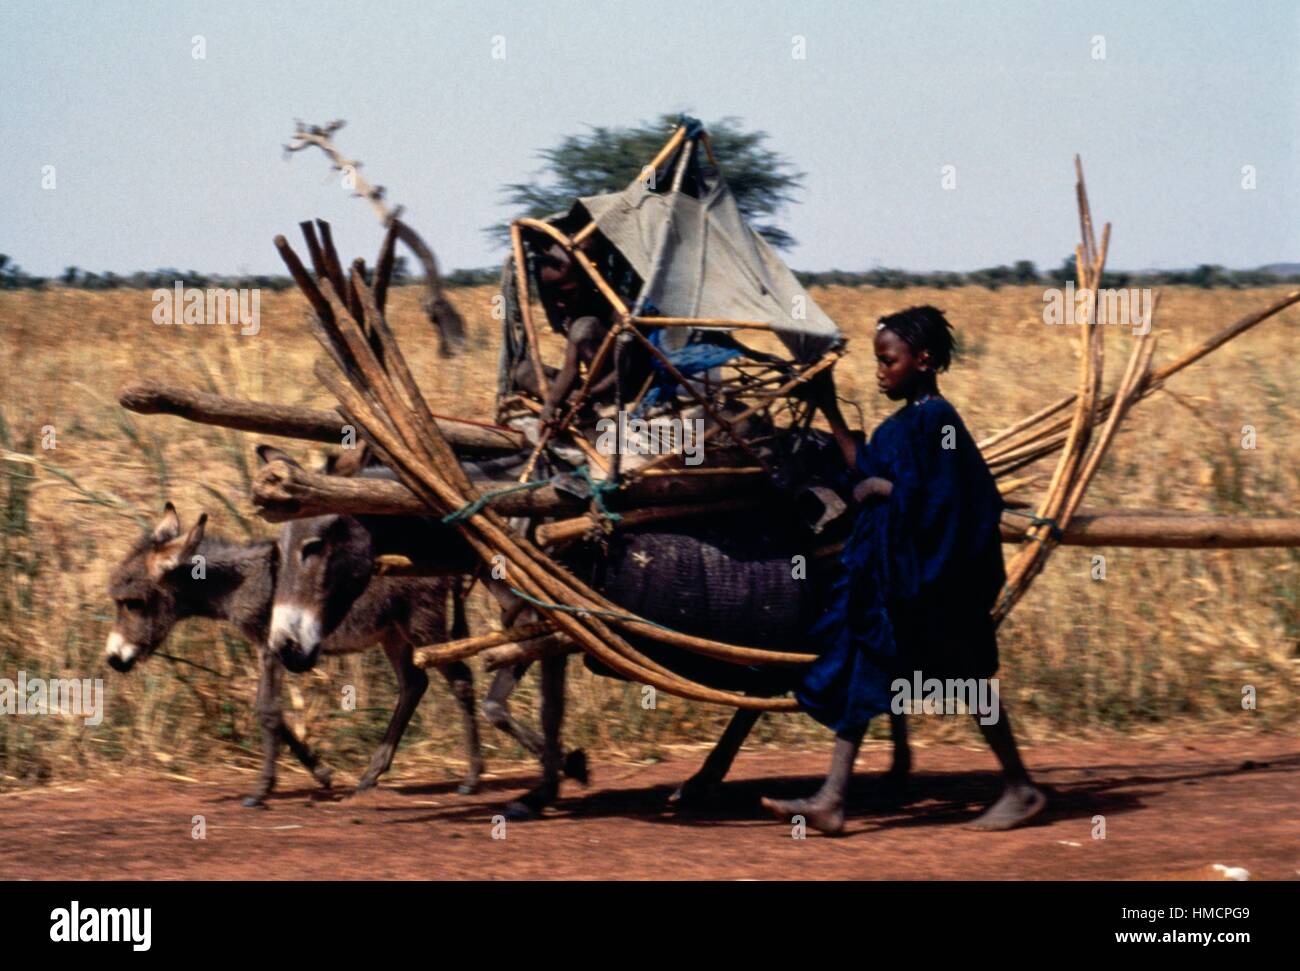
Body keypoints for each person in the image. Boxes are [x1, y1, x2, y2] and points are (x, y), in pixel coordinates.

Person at [761, 305, 1047, 835]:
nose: (879, 371)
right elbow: (866, 470)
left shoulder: (937, 421)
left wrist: (885, 492)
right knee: (869, 664)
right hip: (901, 579)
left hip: (937, 583)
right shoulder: (904, 423)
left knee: (965, 678)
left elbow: (950, 498)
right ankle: (833, 799)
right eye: (876, 360)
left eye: (888, 361)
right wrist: (829, 411)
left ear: (923, 359)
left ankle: (1020, 786)